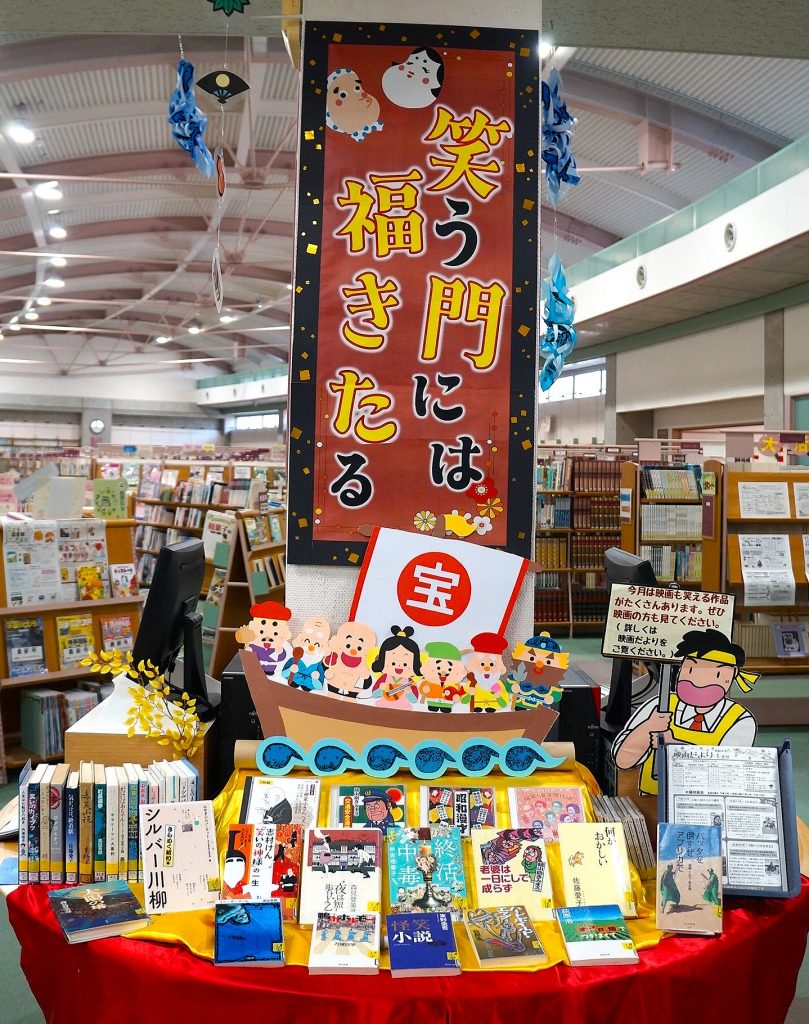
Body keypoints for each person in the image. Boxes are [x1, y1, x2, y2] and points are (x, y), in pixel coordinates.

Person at [612, 628, 759, 796]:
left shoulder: (740, 720)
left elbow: (728, 773)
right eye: (690, 670)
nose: (698, 682)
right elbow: (622, 761)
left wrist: (675, 746)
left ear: (732, 675)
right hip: (651, 800)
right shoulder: (659, 706)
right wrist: (647, 728)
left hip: (705, 803)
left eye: (716, 674)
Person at [369, 625, 421, 708]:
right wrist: (381, 688)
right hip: (383, 706)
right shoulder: (384, 677)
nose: (399, 666)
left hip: (403, 708)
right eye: (393, 663)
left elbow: (414, 700)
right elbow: (375, 694)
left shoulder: (409, 681)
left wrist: (409, 692)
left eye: (405, 664)